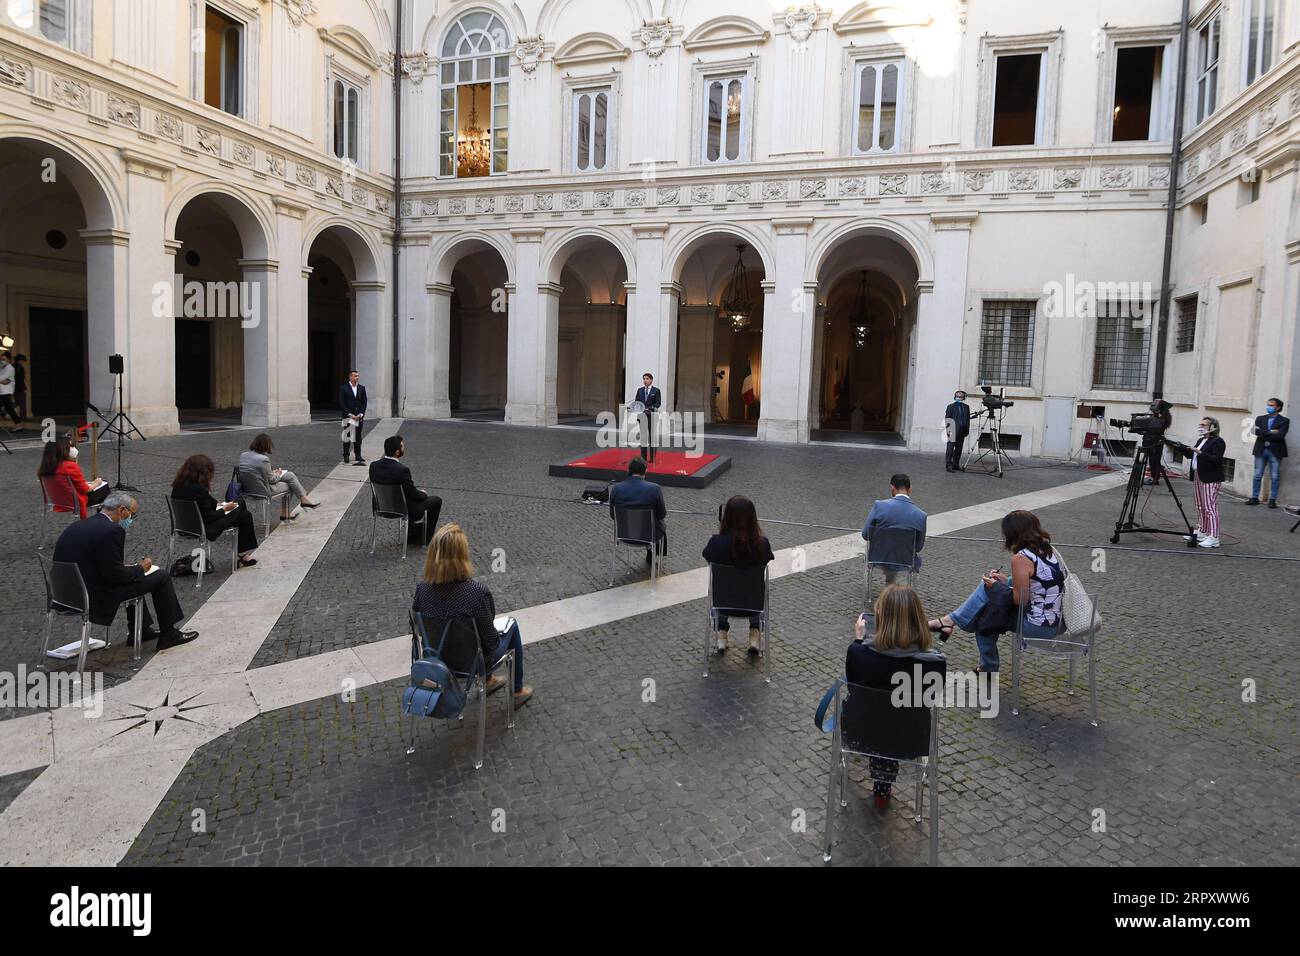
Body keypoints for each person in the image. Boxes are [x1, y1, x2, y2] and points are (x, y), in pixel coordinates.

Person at [52, 492, 199, 649]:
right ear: (122, 510)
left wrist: (132, 570)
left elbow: (99, 563)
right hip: (94, 595)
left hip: (65, 595)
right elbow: (115, 575)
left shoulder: (78, 526)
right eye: (132, 514)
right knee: (161, 577)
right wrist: (140, 568)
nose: (131, 519)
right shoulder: (112, 530)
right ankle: (169, 634)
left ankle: (142, 630)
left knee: (136, 575)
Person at [846, 585, 946, 809]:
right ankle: (883, 786)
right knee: (893, 718)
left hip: (861, 733)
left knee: (879, 716)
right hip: (911, 736)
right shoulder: (935, 664)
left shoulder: (859, 654)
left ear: (880, 618)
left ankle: (881, 784)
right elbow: (930, 698)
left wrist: (859, 640)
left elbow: (853, 686)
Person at [928, 510, 1064, 673]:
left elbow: (1020, 600)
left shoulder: (1021, 558)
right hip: (1056, 620)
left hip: (1038, 626)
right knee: (989, 600)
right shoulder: (1047, 549)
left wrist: (996, 587)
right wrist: (1005, 581)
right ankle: (950, 623)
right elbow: (1037, 585)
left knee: (986, 620)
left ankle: (950, 623)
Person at [413, 523, 533, 706]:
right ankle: (517, 690)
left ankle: (490, 681)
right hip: (474, 664)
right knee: (512, 625)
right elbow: (491, 642)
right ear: (462, 556)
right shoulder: (476, 592)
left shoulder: (422, 590)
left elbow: (420, 627)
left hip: (439, 659)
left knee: (476, 637)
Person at [702, 495, 775, 654]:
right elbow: (767, 558)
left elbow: (707, 556)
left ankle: (721, 633)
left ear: (726, 517)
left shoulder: (716, 543)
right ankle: (755, 633)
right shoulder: (762, 544)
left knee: (722, 584)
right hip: (753, 607)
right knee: (754, 586)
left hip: (722, 605)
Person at [170, 453, 259, 567]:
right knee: (240, 503)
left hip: (185, 527)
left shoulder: (178, 487)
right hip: (207, 529)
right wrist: (226, 508)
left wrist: (220, 505)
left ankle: (242, 554)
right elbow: (210, 516)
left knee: (245, 515)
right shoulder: (199, 489)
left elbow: (207, 504)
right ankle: (242, 554)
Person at [369, 434, 442, 544]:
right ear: (397, 452)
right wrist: (423, 494)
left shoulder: (373, 466)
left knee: (409, 499)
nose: (404, 448)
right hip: (400, 509)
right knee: (436, 500)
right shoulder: (402, 470)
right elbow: (412, 493)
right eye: (402, 446)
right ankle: (426, 538)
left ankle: (413, 535)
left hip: (381, 507)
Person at [238, 432, 320, 521]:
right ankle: (295, 506)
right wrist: (278, 473)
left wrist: (273, 473)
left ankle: (301, 501)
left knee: (290, 476)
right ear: (266, 445)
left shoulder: (244, 455)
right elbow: (272, 480)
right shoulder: (263, 459)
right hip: (263, 491)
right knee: (290, 484)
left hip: (247, 489)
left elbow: (255, 472)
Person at [861, 473, 926, 580]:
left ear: (892, 488)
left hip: (878, 557)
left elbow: (865, 534)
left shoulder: (879, 506)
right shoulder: (920, 515)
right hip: (906, 560)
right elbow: (918, 546)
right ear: (910, 489)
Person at [608, 456, 666, 564]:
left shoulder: (616, 489)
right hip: (648, 535)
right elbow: (662, 515)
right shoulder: (654, 489)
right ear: (645, 471)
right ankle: (652, 556)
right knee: (661, 525)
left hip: (624, 534)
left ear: (628, 470)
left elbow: (613, 516)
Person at [38, 433, 109, 518]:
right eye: (71, 446)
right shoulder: (69, 466)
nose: (73, 448)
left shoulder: (45, 467)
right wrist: (97, 482)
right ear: (63, 449)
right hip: (75, 501)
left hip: (57, 501)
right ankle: (101, 520)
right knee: (105, 488)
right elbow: (85, 490)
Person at [1189, 416, 1226, 549]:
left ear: (1213, 427)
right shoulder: (1201, 440)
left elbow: (1216, 460)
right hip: (1199, 475)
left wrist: (1200, 452)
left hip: (1211, 478)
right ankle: (1202, 531)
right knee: (1200, 505)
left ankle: (1214, 537)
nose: (1201, 427)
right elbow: (1193, 455)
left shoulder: (1218, 441)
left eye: (1204, 425)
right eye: (1200, 424)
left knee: (1210, 507)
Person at [1247, 397, 1289, 507]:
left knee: (1275, 476)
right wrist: (1271, 431)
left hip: (1275, 451)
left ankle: (1272, 500)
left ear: (1278, 407)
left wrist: (1263, 433)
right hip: (1260, 450)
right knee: (1257, 475)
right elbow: (1254, 431)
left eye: (1272, 405)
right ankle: (1254, 497)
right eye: (1268, 405)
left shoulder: (1284, 421)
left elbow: (1280, 436)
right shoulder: (1260, 419)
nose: (1269, 407)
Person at [631, 372, 661, 463]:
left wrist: (649, 408)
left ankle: (652, 458)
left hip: (652, 416)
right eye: (644, 379)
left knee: (652, 437)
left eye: (647, 379)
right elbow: (637, 402)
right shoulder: (640, 390)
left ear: (651, 380)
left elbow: (658, 403)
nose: (645, 380)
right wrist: (637, 407)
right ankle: (643, 457)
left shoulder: (656, 391)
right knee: (643, 437)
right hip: (642, 417)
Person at [340, 370, 367, 465]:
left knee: (358, 437)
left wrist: (360, 414)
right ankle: (346, 455)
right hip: (348, 416)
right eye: (355, 376)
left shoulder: (362, 388)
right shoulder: (343, 388)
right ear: (350, 377)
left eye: (358, 376)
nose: (357, 378)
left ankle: (358, 455)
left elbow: (364, 403)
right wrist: (350, 414)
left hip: (358, 417)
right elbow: (342, 403)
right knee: (347, 437)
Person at [944, 389, 971, 472]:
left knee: (959, 449)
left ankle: (956, 464)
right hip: (952, 430)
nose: (958, 398)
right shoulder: (950, 406)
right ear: (955, 397)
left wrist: (967, 430)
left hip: (962, 430)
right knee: (950, 448)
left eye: (960, 396)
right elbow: (947, 419)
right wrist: (948, 431)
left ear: (963, 398)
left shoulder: (966, 407)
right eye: (957, 396)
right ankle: (948, 465)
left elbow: (968, 419)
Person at [0, 350, 22, 431]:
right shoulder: (2, 368)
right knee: (10, 409)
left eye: (4, 359)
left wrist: (2, 381)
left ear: (9, 360)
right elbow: (2, 380)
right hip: (2, 392)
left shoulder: (10, 368)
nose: (2, 361)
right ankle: (19, 425)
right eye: (1, 359)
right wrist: (2, 381)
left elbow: (3, 379)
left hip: (6, 392)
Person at [12, 353, 27, 421]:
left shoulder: (12, 366)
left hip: (13, 388)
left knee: (18, 402)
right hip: (19, 388)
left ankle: (5, 411)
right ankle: (22, 417)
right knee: (22, 403)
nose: (23, 362)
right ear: (20, 360)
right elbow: (20, 379)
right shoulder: (19, 368)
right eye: (22, 361)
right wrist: (24, 388)